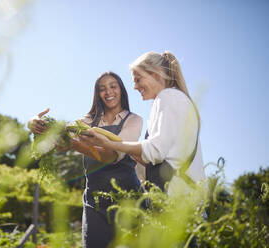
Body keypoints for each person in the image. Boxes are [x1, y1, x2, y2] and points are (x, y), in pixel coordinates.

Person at [28, 71, 143, 248]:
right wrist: (35, 124)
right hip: (94, 202)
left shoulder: (133, 120)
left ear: (121, 90)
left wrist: (75, 145)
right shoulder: (85, 122)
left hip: (128, 198)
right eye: (102, 88)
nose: (108, 92)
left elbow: (113, 156)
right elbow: (50, 143)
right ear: (97, 93)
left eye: (113, 86)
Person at [82, 51, 206, 196]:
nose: (135, 86)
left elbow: (155, 151)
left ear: (156, 74)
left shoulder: (168, 97)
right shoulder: (172, 99)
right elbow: (160, 158)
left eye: (138, 79)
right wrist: (128, 150)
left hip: (179, 202)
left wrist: (109, 144)